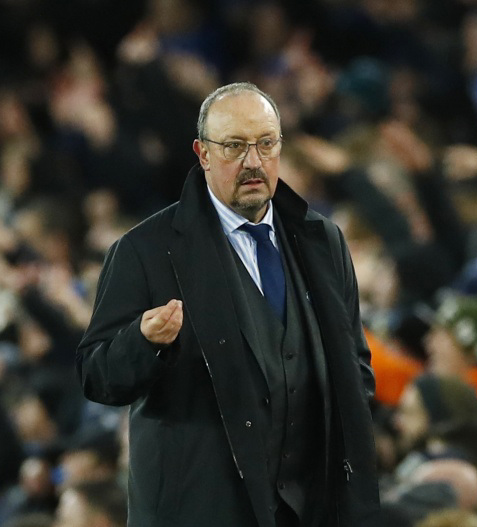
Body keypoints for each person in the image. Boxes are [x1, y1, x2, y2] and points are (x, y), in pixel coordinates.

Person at [76, 82, 380, 526]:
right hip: (202, 510)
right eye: (234, 146)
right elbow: (96, 375)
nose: (253, 161)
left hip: (310, 508)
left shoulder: (323, 240)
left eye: (265, 143)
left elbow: (355, 367)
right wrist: (143, 342)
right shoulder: (145, 250)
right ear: (203, 154)